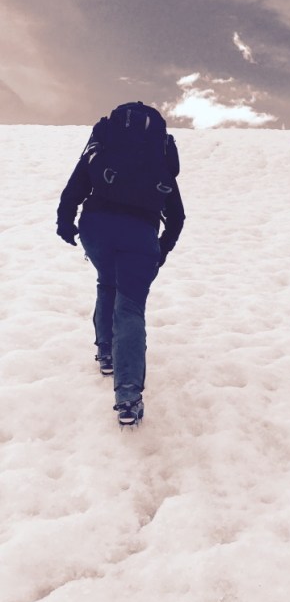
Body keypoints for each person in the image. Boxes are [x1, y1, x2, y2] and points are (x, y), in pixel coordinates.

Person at [55, 101, 185, 426]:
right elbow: (177, 216)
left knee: (106, 281)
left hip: (96, 227)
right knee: (129, 307)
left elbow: (76, 185)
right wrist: (161, 250)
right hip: (139, 235)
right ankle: (128, 397)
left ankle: (106, 353)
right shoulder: (158, 156)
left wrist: (66, 223)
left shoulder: (104, 146)